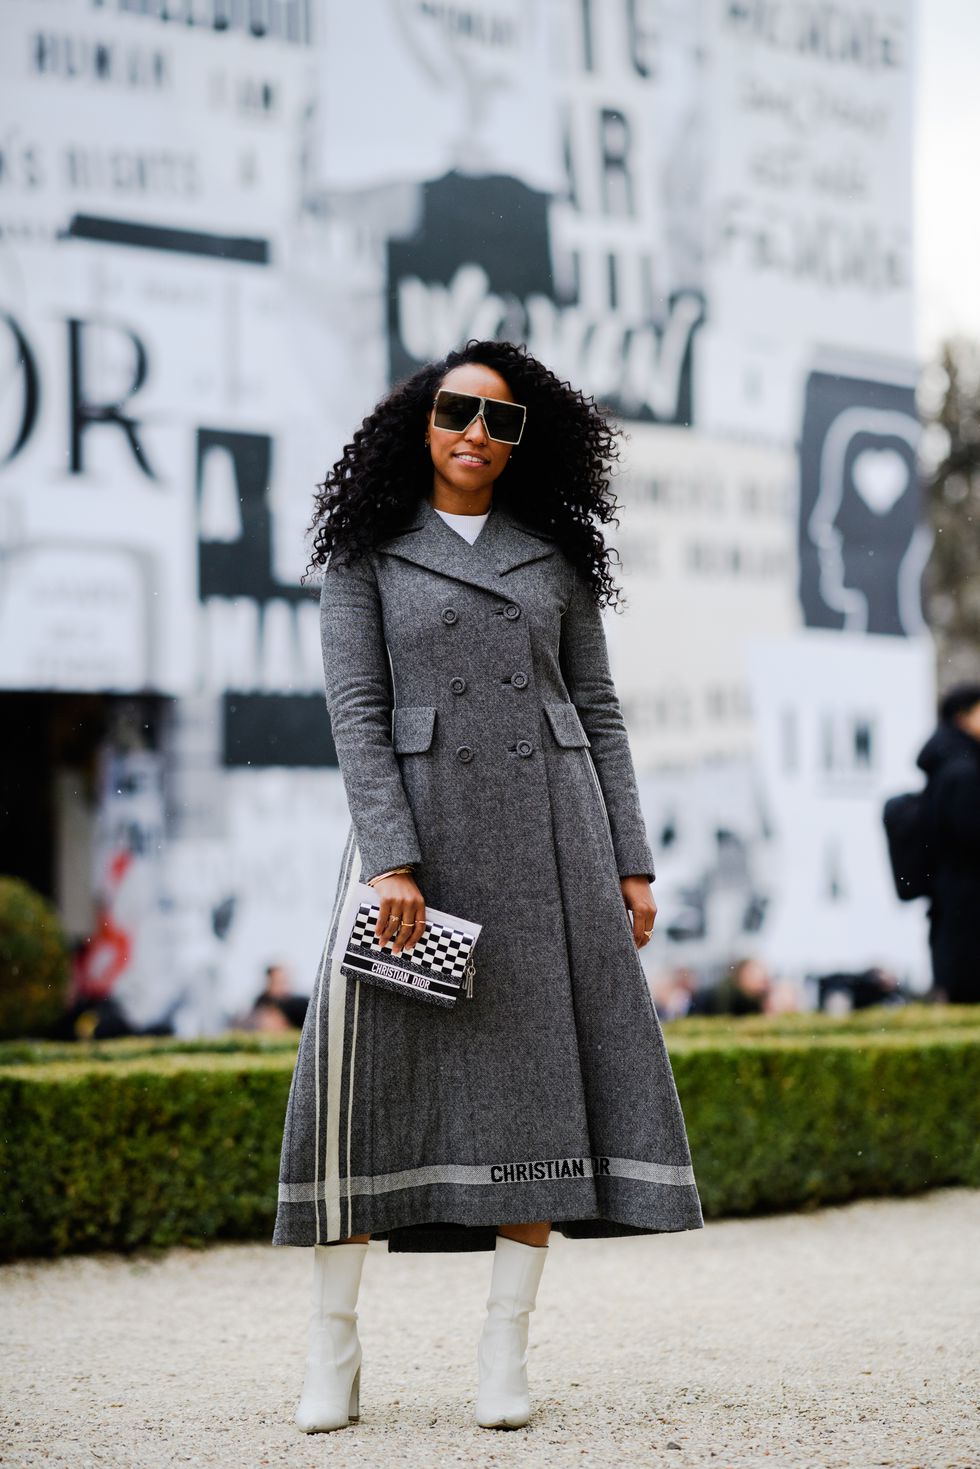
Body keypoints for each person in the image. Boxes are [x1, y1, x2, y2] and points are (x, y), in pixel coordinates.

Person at [271, 339, 704, 1434]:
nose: (475, 432)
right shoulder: (366, 552)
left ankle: (501, 1348)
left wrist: (631, 858)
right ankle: (333, 1346)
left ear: (522, 440)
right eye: (457, 410)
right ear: (421, 419)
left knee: (537, 1090)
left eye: (499, 419)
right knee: (356, 1089)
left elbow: (597, 710)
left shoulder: (552, 554)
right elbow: (356, 714)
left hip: (548, 841)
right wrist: (391, 859)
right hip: (411, 848)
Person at [916, 682, 980, 1005]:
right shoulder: (964, 771)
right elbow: (970, 837)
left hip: (953, 905)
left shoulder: (947, 764)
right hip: (968, 909)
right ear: (963, 717)